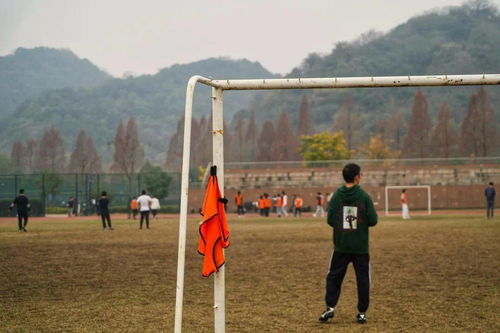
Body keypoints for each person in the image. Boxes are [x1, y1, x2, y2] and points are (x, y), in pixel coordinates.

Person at [319, 163, 378, 324]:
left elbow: (330, 220)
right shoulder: (364, 196)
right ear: (357, 177)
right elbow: (373, 220)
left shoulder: (336, 196)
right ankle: (361, 312)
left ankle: (330, 307)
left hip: (341, 245)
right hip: (360, 247)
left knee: (334, 276)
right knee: (363, 279)